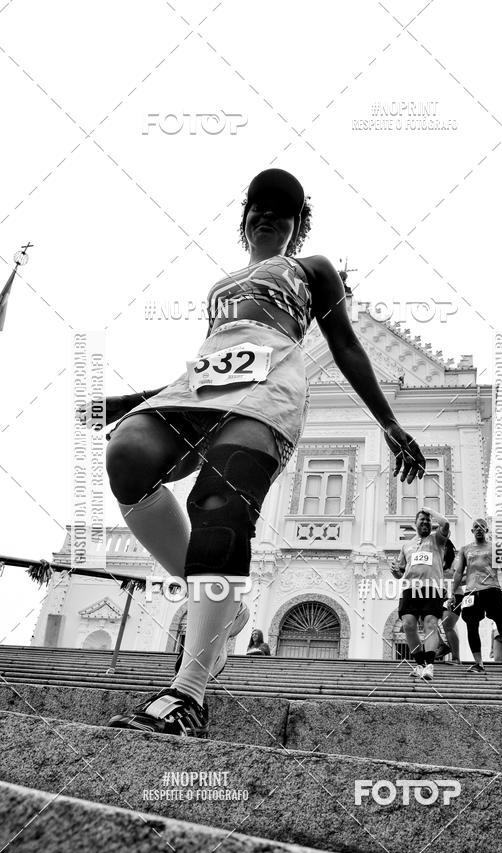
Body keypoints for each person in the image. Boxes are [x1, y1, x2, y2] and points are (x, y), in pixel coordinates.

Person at [100, 168, 425, 737]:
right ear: (245, 217)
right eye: (260, 204)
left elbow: (346, 344)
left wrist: (389, 421)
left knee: (218, 505)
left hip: (270, 388)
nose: (270, 212)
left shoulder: (312, 269)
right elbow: (213, 358)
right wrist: (126, 402)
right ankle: (226, 606)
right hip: (200, 389)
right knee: (127, 453)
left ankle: (187, 693)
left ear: (299, 226)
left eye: (285, 208)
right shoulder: (223, 285)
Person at [452, 517, 502, 673]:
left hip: (491, 588)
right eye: (476, 527)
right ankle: (478, 663)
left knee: (501, 620)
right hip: (471, 592)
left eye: (482, 526)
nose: (479, 529)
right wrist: (453, 591)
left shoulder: (495, 547)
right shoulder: (465, 549)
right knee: (471, 624)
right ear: (472, 531)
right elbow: (458, 572)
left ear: (486, 530)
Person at [391, 508, 450, 681]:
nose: (425, 522)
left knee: (430, 623)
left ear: (431, 523)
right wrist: (394, 571)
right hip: (410, 589)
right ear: (415, 523)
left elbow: (445, 523)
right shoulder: (406, 546)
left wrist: (428, 510)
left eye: (427, 520)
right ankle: (419, 664)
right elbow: (400, 572)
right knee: (408, 625)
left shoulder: (437, 539)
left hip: (432, 587)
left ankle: (429, 665)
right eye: (421, 519)